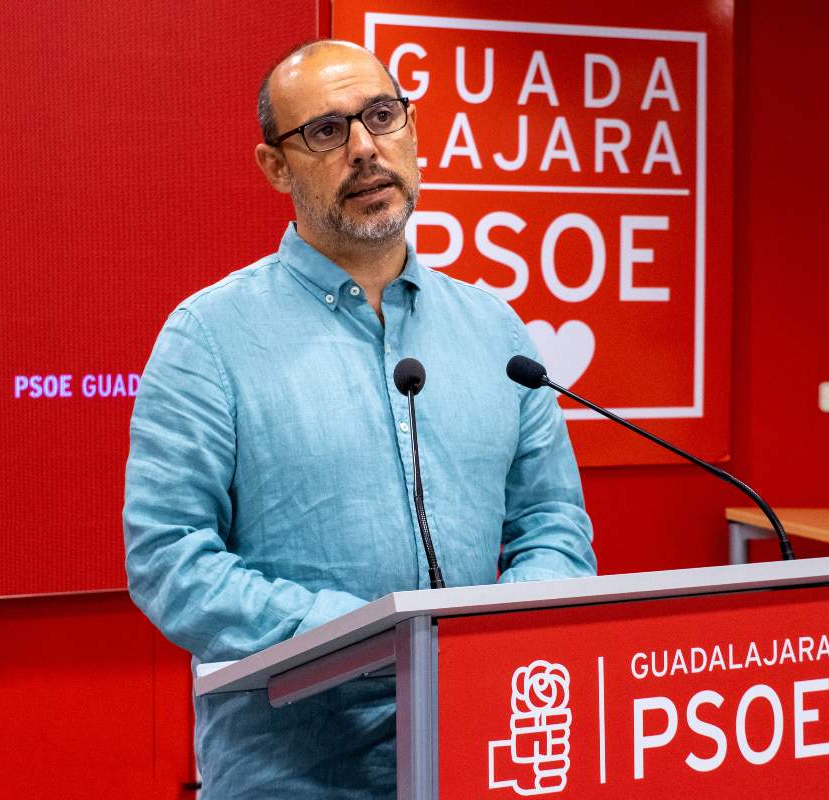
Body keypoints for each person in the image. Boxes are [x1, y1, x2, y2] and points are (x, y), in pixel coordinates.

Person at [122, 39, 596, 799]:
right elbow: (170, 560)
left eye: (382, 116)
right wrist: (371, 634)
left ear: (412, 129)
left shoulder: (496, 330)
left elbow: (552, 523)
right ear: (275, 167)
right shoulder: (208, 337)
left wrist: (494, 636)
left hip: (487, 749)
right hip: (299, 772)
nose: (365, 149)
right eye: (326, 131)